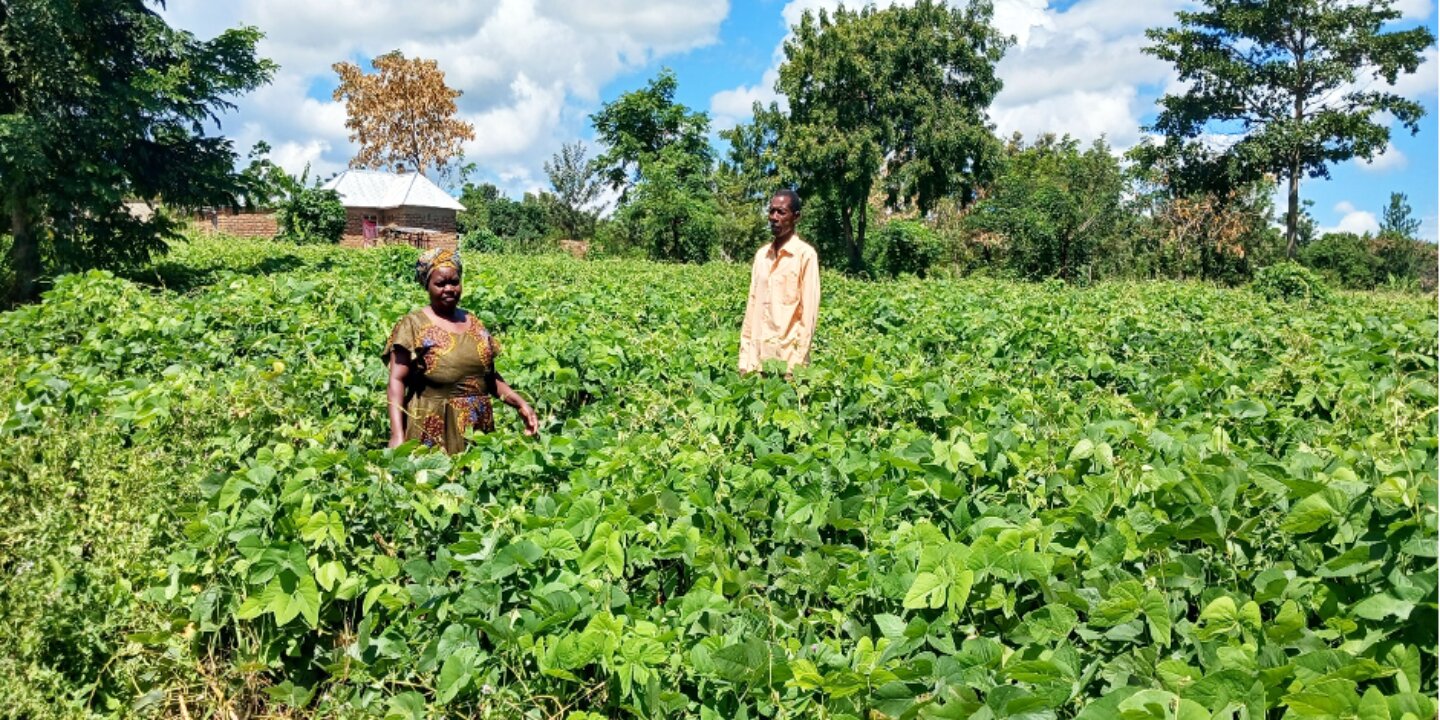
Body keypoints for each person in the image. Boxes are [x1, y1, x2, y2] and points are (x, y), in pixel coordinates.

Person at [384, 248, 538, 452]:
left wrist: (520, 404)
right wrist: (397, 434)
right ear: (427, 286)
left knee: (476, 478)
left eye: (454, 282)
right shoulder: (413, 325)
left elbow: (489, 377)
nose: (449, 288)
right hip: (431, 428)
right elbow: (397, 380)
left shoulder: (474, 323)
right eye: (440, 283)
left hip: (477, 428)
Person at [738, 189, 820, 375]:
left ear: (796, 217)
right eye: (771, 211)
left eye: (781, 212)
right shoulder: (762, 256)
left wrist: (797, 365)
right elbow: (752, 307)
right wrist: (744, 359)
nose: (774, 217)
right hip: (756, 361)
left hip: (787, 362)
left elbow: (809, 315)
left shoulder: (805, 255)